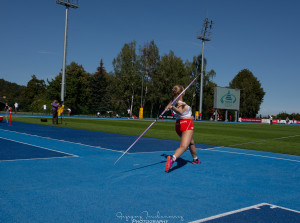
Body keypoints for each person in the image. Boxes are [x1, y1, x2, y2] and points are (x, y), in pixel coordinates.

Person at [165, 85, 200, 173]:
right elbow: (180, 111)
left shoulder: (172, 102)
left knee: (191, 142)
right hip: (186, 125)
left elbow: (169, 108)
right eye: (184, 89)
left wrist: (170, 106)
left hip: (178, 126)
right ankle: (172, 159)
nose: (185, 90)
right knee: (184, 146)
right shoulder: (182, 104)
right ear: (182, 93)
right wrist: (172, 107)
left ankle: (195, 159)